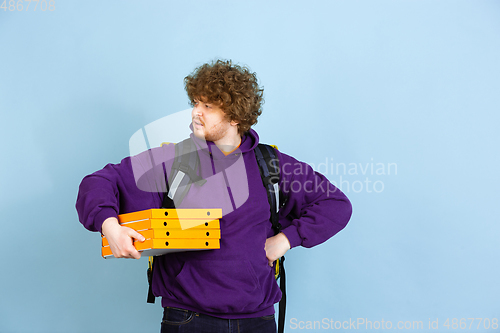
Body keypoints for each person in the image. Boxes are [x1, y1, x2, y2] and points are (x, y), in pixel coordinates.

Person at [76, 59, 352, 333]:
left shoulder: (271, 164)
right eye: (195, 103)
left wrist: (285, 239)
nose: (196, 112)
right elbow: (98, 183)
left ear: (235, 116)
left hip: (258, 321)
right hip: (188, 318)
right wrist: (109, 226)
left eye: (207, 106)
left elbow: (335, 204)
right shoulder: (173, 159)